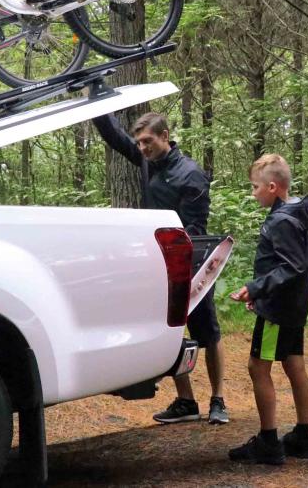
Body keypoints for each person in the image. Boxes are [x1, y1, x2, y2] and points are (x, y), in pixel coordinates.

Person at [92, 111, 228, 425]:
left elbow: (194, 229)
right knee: (172, 331)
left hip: (190, 262)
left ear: (165, 136)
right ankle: (186, 401)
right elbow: (117, 138)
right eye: (139, 143)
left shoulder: (190, 174)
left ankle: (218, 400)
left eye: (148, 141)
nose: (142, 148)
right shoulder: (147, 161)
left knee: (208, 333)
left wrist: (184, 266)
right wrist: (94, 104)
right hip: (159, 263)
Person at [229, 154, 308, 465]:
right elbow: (289, 266)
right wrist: (260, 292)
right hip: (290, 306)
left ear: (271, 187)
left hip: (278, 313)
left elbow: (292, 266)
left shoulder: (281, 220)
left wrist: (255, 289)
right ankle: (304, 436)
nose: (253, 193)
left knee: (258, 367)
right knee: (294, 364)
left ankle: (268, 442)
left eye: (255, 187)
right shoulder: (294, 212)